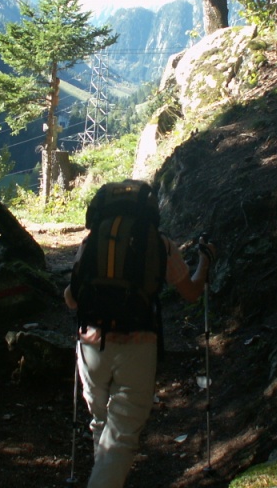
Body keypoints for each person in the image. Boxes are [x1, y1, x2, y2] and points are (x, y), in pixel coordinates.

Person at [64, 184, 216, 488]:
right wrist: (205, 262)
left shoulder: (91, 241)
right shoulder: (160, 243)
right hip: (138, 344)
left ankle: (106, 478)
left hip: (91, 343)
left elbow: (71, 299)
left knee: (101, 423)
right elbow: (190, 292)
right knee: (121, 435)